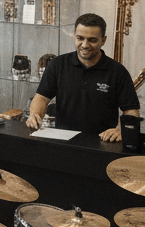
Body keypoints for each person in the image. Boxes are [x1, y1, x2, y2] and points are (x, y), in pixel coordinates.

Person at [26, 13, 140, 142]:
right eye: (80, 38)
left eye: (92, 40)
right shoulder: (57, 64)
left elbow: (131, 111)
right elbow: (41, 98)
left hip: (102, 144)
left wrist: (121, 129)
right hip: (63, 142)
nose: (85, 45)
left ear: (103, 40)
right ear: (74, 37)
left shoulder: (118, 71)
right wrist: (35, 115)